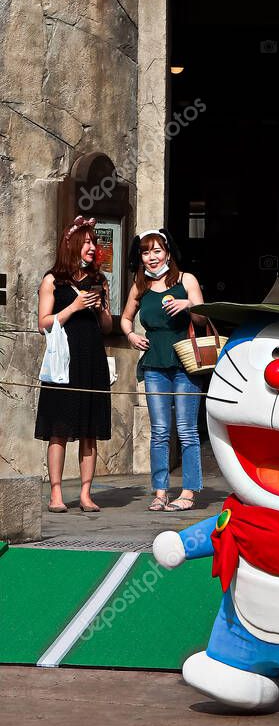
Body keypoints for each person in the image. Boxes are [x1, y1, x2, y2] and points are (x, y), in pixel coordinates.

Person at [120, 229, 205, 512]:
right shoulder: (139, 285)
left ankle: (189, 492)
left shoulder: (185, 279)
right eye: (146, 252)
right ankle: (160, 492)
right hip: (154, 362)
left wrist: (188, 304)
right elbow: (126, 318)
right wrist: (131, 336)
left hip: (185, 362)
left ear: (167, 252)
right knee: (159, 430)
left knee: (186, 430)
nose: (152, 257)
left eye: (157, 251)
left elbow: (204, 316)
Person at [35, 215, 112, 513]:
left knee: (90, 429)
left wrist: (101, 307)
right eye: (87, 242)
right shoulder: (53, 279)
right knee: (59, 428)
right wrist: (74, 306)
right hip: (63, 361)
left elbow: (106, 326)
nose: (92, 247)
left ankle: (85, 493)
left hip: (91, 358)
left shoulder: (98, 280)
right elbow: (43, 323)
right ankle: (55, 494)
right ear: (72, 245)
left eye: (94, 242)